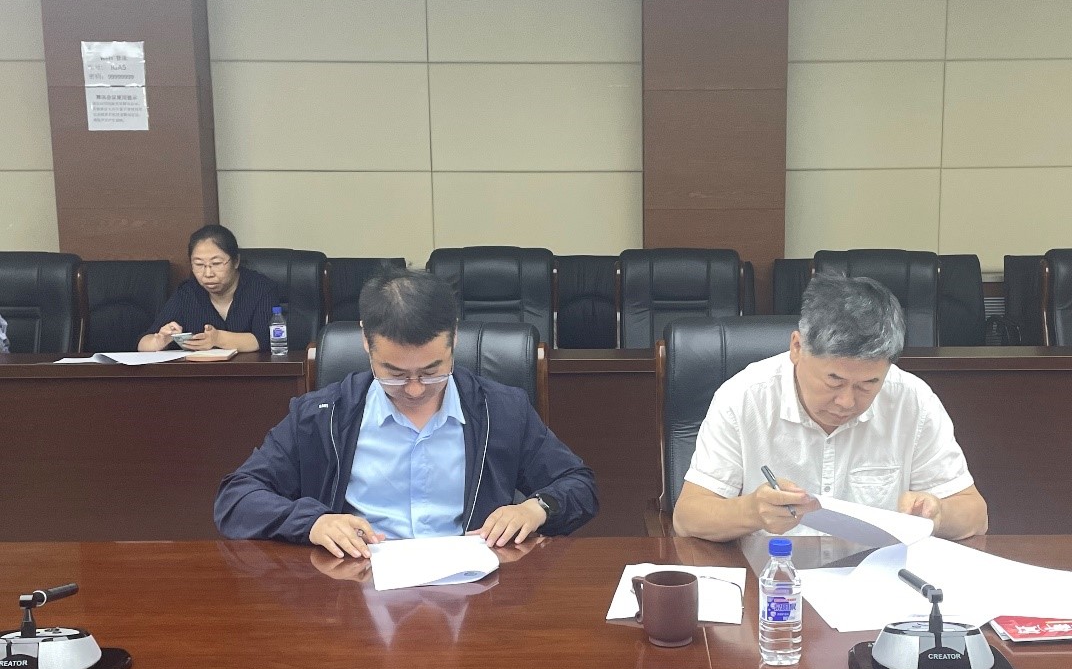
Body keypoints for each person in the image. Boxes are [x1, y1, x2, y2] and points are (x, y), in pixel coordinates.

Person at [214, 267, 599, 557]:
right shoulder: (321, 416)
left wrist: (536, 508)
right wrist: (313, 522)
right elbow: (236, 498)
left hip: (474, 591)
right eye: (394, 374)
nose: (415, 389)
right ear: (366, 342)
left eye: (432, 372)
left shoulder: (501, 410)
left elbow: (578, 485)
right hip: (357, 590)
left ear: (454, 337)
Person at [672, 273, 988, 543]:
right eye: (834, 380)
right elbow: (687, 517)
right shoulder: (744, 397)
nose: (847, 402)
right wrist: (752, 511)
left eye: (868, 384)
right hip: (772, 579)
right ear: (797, 347)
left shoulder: (912, 400)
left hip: (877, 579)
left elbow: (975, 515)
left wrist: (938, 514)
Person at [138, 224, 280, 352]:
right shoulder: (188, 292)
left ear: (236, 261)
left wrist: (218, 339)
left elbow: (266, 340)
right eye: (199, 265)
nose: (208, 274)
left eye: (216, 263)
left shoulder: (261, 289)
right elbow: (143, 342)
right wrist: (159, 341)